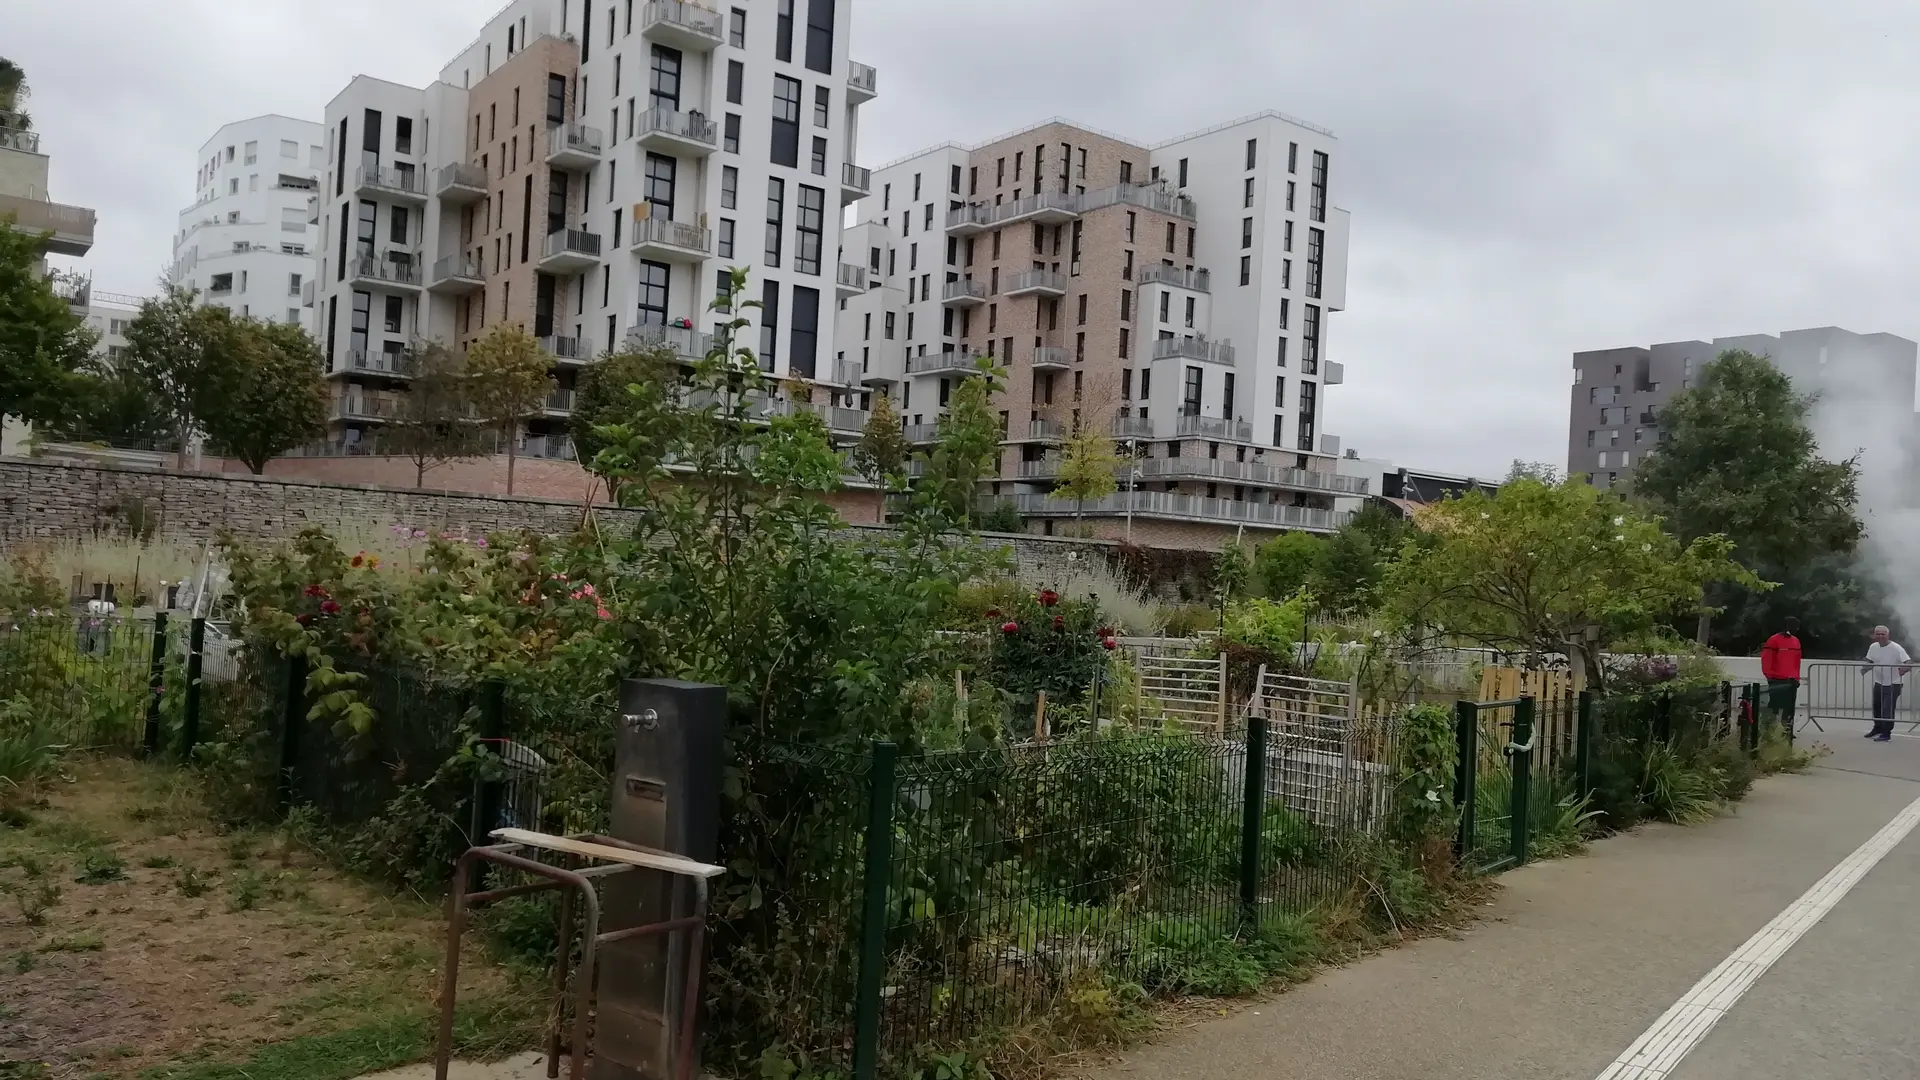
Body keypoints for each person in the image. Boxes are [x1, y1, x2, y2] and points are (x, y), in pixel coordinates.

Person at [1861, 625, 1912, 741]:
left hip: (1894, 683)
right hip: (1879, 681)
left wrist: (1903, 670)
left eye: (1883, 634)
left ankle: (1886, 733)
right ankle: (1877, 728)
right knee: (1877, 707)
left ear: (1888, 635)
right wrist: (1865, 668)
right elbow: (1870, 660)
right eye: (1878, 634)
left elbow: (1908, 662)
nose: (1880, 636)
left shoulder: (1896, 648)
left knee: (1887, 709)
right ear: (1874, 635)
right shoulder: (1873, 647)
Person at [1760, 617, 1803, 730]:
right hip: (1777, 679)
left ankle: (1787, 730)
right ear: (1788, 626)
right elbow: (1767, 659)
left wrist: (1797, 678)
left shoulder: (1796, 641)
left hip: (1791, 679)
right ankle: (1768, 728)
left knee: (1789, 708)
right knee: (1774, 705)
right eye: (1795, 626)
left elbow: (1796, 662)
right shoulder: (1774, 640)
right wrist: (1769, 675)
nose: (1797, 629)